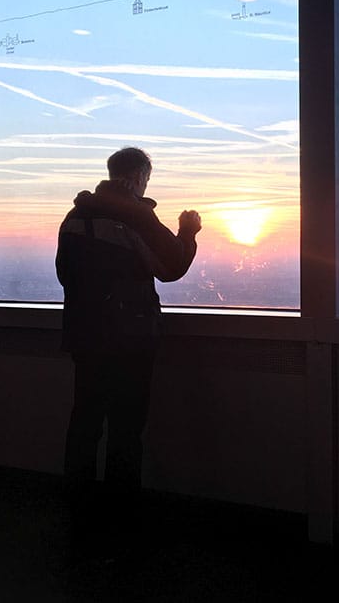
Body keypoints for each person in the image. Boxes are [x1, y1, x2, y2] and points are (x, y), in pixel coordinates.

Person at [55, 146, 201, 559]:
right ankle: (121, 513)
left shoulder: (75, 217)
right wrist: (188, 231)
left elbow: (64, 274)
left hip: (85, 335)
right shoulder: (135, 215)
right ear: (138, 176)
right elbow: (170, 267)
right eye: (146, 179)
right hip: (130, 339)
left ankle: (77, 508)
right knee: (125, 426)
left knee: (84, 422)